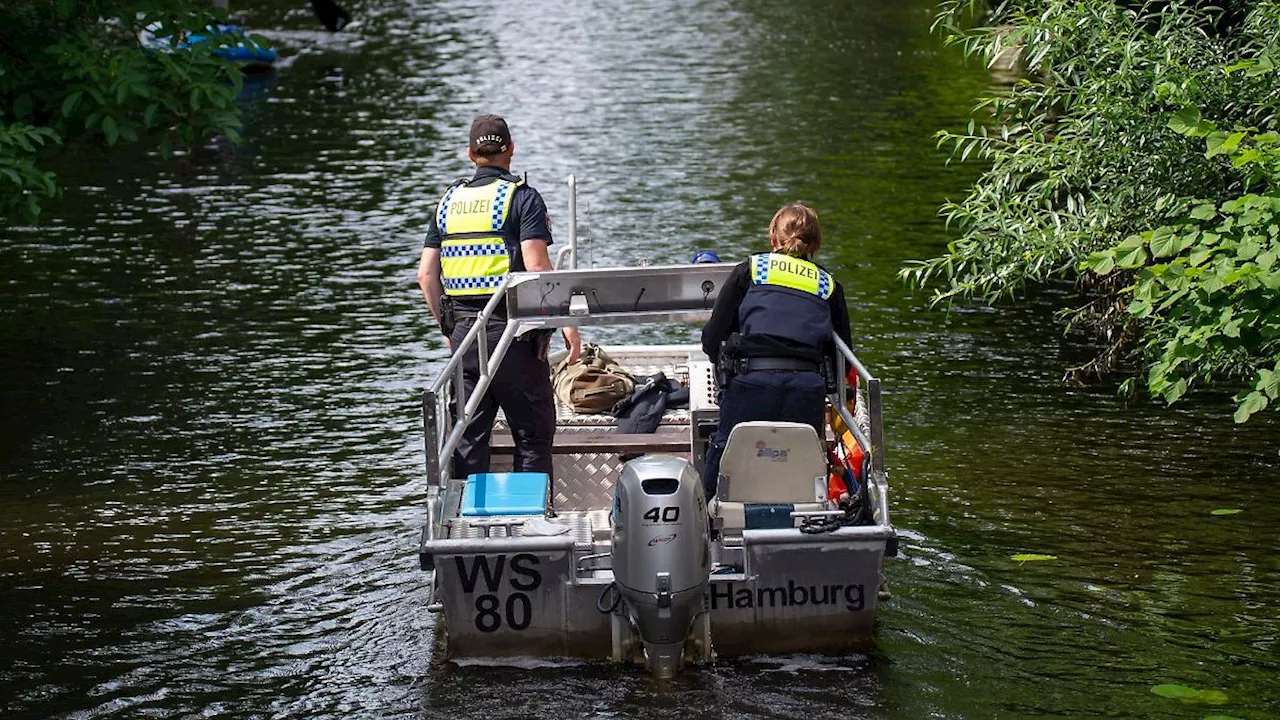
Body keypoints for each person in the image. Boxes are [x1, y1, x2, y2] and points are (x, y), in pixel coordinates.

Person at [417, 114, 581, 479]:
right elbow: (538, 265)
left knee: (468, 438)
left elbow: (426, 275)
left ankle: (463, 524)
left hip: (465, 336)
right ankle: (532, 523)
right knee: (532, 435)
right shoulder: (521, 198)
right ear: (511, 150)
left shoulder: (448, 202)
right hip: (513, 337)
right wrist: (568, 323)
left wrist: (449, 329)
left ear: (470, 154)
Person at [699, 203, 853, 499]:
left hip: (750, 383)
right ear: (815, 245)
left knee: (725, 448)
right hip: (806, 389)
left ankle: (708, 517)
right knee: (800, 459)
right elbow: (842, 357)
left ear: (773, 238)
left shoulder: (751, 270)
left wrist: (723, 371)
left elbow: (713, 337)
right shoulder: (828, 285)